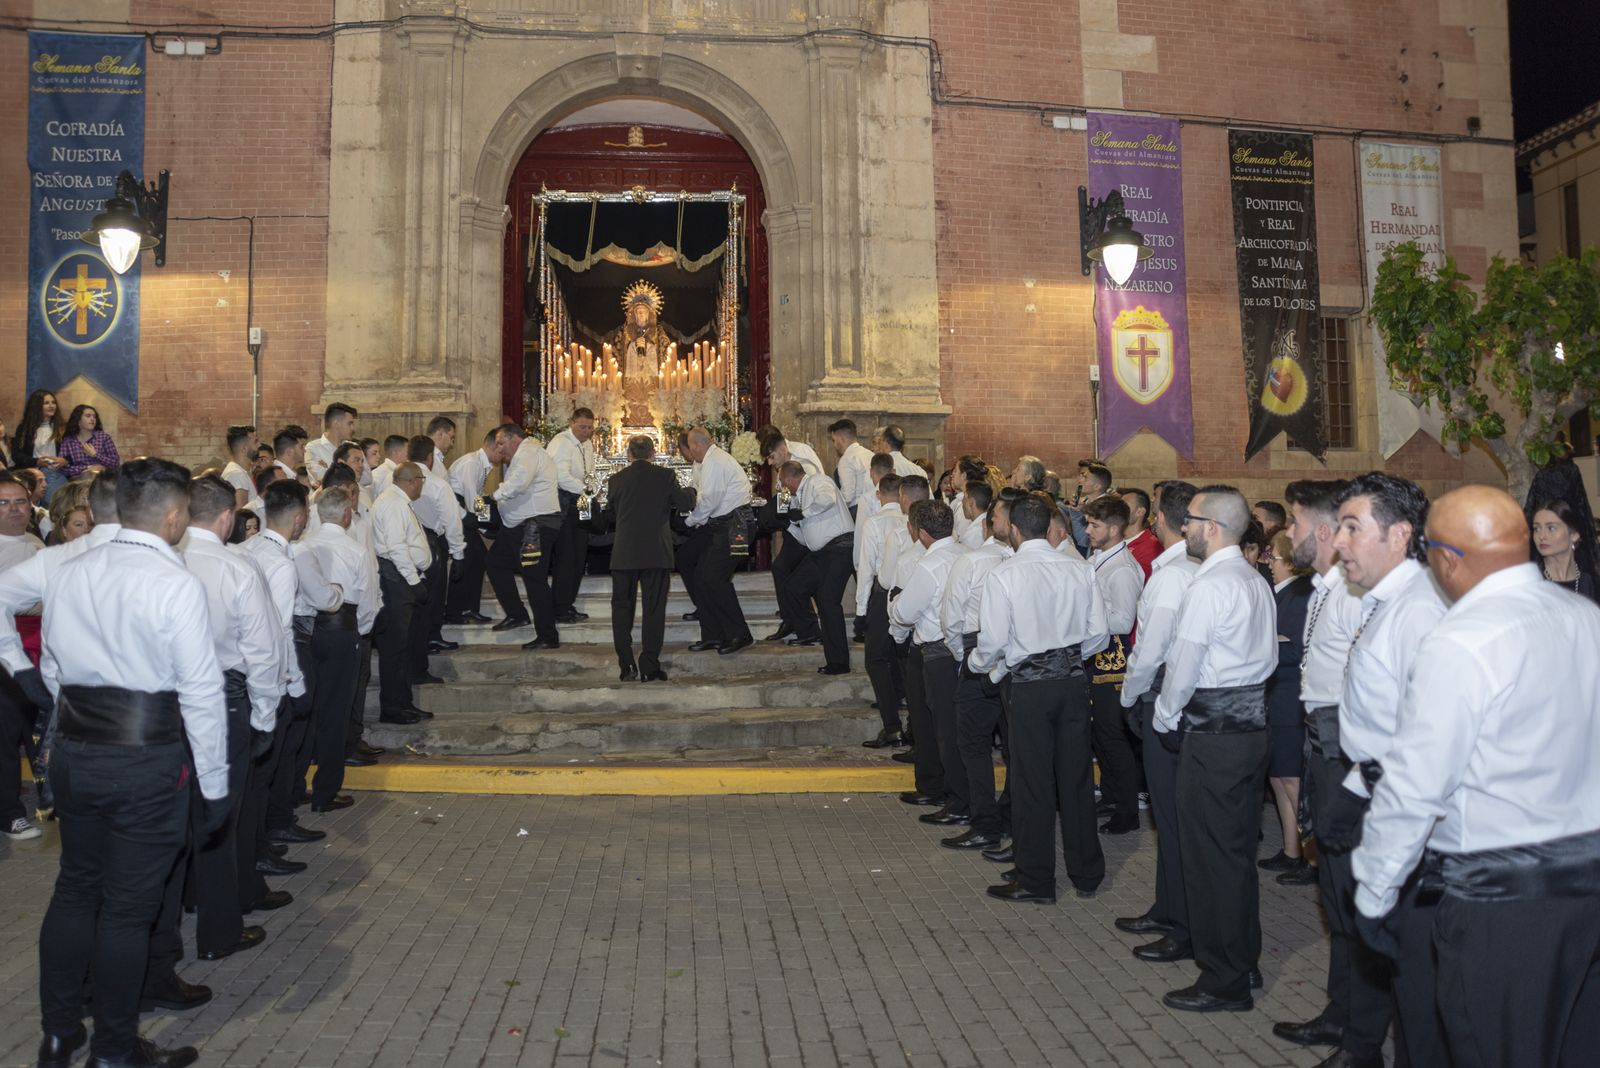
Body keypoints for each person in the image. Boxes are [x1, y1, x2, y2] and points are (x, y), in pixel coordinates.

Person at [1353, 485, 1600, 1067]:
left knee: (1494, 1048)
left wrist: (1374, 888)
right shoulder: (1584, 616)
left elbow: (1416, 783)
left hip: (1504, 898)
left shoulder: (1462, 639)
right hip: (1589, 884)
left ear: (1447, 557)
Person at [35, 458, 225, 1068]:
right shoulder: (174, 583)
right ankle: (115, 1051)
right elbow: (200, 691)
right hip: (144, 759)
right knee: (126, 910)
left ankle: (61, 1032)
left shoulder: (71, 569)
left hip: (75, 752)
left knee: (74, 891)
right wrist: (216, 784)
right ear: (175, 518)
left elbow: (54, 671)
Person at [1313, 472, 1450, 1065]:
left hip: (1402, 805)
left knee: (1412, 969)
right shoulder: (1383, 602)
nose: (1338, 542)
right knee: (1371, 945)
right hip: (1368, 786)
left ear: (1399, 535)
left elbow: (1425, 741)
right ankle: (1361, 1045)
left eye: (1351, 527)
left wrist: (1373, 806)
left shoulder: (1420, 613)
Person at [147, 474, 282, 990]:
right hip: (223, 701)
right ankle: (219, 930)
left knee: (174, 817)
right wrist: (264, 717)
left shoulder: (164, 562)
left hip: (165, 701)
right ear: (227, 517)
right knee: (218, 816)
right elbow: (262, 652)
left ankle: (178, 914)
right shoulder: (235, 567)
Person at [1151, 485, 1276, 1012]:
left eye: (1192, 521)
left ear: (1214, 527)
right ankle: (1241, 961)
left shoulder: (1209, 585)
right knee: (1235, 853)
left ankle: (1222, 976)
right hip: (1250, 730)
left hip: (1215, 734)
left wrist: (1163, 713)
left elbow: (1185, 663)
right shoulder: (1253, 580)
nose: (1185, 529)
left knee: (1209, 857)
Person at [1269, 480, 1373, 1057]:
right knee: (1335, 898)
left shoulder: (1356, 594)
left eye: (1296, 521)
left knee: (1352, 899)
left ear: (1327, 531)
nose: (1289, 532)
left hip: (1345, 754)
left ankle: (1360, 1024)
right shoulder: (1329, 589)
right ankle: (1341, 1009)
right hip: (1323, 746)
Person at [969, 492, 1109, 904]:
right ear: (1050, 527)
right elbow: (1098, 632)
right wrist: (1064, 658)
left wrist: (980, 665)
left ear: (1013, 529)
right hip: (1071, 681)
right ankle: (1086, 874)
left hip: (1029, 686)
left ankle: (1036, 878)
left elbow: (992, 640)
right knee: (1077, 778)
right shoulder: (1080, 569)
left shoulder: (1006, 575)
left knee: (1033, 783)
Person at [1114, 480, 1201, 963]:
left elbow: (1149, 649)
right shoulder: (1187, 570)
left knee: (1170, 818)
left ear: (1160, 519)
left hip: (1161, 698)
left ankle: (1180, 919)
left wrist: (1130, 696)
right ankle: (1168, 907)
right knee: (1167, 819)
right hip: (1177, 699)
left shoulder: (1171, 577)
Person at [236, 479, 328, 896]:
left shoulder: (245, 548)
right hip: (270, 678)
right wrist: (292, 686)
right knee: (270, 766)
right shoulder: (281, 562)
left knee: (259, 772)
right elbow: (278, 630)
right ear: (299, 517)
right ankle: (265, 841)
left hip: (242, 674)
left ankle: (269, 832)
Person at [938, 491, 1016, 852]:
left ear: (988, 524)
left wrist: (963, 658)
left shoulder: (971, 561)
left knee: (973, 743)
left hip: (977, 651)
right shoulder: (1022, 564)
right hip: (1017, 657)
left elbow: (951, 619)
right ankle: (1012, 816)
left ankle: (985, 822)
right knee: (1014, 746)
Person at [295, 485, 377, 811]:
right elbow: (368, 603)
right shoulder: (356, 551)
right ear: (346, 515)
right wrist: (361, 633)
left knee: (305, 712)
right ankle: (326, 791)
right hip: (343, 629)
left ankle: (294, 786)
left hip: (304, 631)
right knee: (335, 712)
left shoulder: (302, 547)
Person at [889, 499, 966, 820]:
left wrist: (894, 603)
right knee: (957, 727)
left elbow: (906, 612)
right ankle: (949, 791)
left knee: (940, 727)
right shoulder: (968, 554)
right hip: (965, 650)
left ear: (921, 533)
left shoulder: (929, 565)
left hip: (936, 650)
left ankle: (948, 794)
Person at [601, 435, 697, 682]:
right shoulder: (665, 477)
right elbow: (683, 502)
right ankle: (649, 665)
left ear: (629, 454)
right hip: (656, 552)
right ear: (653, 454)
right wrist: (692, 490)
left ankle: (626, 665)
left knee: (622, 609)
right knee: (654, 609)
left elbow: (610, 515)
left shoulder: (616, 480)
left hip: (624, 553)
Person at [1082, 495, 1144, 836]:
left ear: (1115, 529)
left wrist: (1086, 615)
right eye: (1088, 524)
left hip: (1114, 658)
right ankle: (1110, 795)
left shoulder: (1121, 569)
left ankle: (1127, 809)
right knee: (1101, 734)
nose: (1088, 531)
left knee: (1112, 735)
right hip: (1099, 653)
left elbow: (1123, 619)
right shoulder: (1101, 558)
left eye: (1095, 525)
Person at [1260, 530, 1312, 877]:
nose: (1269, 564)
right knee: (1279, 778)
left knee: (1293, 780)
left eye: (1274, 559)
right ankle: (1291, 850)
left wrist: (1263, 643)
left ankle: (1311, 857)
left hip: (1290, 698)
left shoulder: (1298, 595)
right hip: (1275, 698)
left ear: (1291, 563)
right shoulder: (1279, 593)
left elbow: (1296, 649)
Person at [679, 427, 754, 655]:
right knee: (702, 576)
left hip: (736, 524)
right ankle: (712, 635)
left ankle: (739, 634)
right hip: (722, 525)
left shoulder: (714, 461)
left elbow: (709, 501)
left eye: (691, 450)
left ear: (695, 446)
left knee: (714, 577)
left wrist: (690, 522)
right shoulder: (708, 460)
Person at [489, 428, 564, 651]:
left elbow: (518, 483)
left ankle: (548, 635)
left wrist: (493, 497)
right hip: (518, 527)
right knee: (494, 562)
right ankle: (517, 613)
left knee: (534, 579)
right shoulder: (525, 453)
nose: (499, 448)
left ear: (515, 439)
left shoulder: (529, 452)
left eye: (502, 443)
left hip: (534, 526)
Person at [778, 459, 856, 674]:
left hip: (840, 549)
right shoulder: (797, 498)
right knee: (793, 587)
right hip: (821, 553)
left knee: (828, 603)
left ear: (788, 478)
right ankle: (810, 631)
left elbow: (827, 499)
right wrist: (788, 524)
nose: (783, 488)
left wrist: (802, 514)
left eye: (782, 483)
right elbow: (806, 539)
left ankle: (838, 662)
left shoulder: (817, 481)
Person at [371, 462, 433, 724]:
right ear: (413, 481)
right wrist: (413, 581)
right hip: (395, 580)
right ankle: (393, 707)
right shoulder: (394, 503)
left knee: (403, 646)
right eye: (421, 479)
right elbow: (396, 548)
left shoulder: (397, 500)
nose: (422, 484)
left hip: (399, 578)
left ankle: (403, 702)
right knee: (396, 647)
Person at [0, 474, 44, 842]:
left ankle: (44, 802)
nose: (14, 509)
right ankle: (9, 814)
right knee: (5, 735)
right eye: (4, 503)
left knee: (32, 733)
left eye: (20, 501)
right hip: (5, 654)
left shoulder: (34, 543)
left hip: (36, 651)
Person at [761, 426, 826, 643]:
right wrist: (777, 515)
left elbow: (813, 493)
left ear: (782, 448)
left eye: (771, 457)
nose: (769, 463)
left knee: (794, 576)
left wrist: (786, 514)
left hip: (811, 527)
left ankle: (806, 626)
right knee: (781, 570)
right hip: (795, 526)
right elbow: (784, 495)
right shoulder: (783, 462)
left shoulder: (803, 457)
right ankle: (792, 621)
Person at [856, 474, 907, 746]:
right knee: (901, 657)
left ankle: (891, 726)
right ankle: (910, 722)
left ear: (878, 494)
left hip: (881, 593)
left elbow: (866, 570)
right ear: (901, 494)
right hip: (909, 591)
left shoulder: (873, 523)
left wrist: (860, 611)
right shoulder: (911, 520)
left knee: (875, 660)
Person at [407, 435, 465, 659]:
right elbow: (452, 521)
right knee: (434, 593)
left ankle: (418, 637)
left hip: (404, 541)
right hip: (431, 543)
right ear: (430, 457)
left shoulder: (395, 480)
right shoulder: (437, 484)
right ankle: (431, 634)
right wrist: (458, 553)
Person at [445, 425, 507, 625]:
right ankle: (457, 611)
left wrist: (485, 525)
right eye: (502, 449)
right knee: (470, 557)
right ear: (496, 446)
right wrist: (486, 526)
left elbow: (478, 499)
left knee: (477, 557)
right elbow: (472, 500)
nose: (504, 454)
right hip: (458, 515)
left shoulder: (481, 464)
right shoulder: (471, 463)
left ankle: (468, 608)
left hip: (466, 514)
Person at [545, 408, 598, 625]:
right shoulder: (562, 441)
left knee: (578, 556)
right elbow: (559, 475)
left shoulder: (587, 444)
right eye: (582, 427)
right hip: (564, 503)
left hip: (579, 502)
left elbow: (590, 472)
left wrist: (591, 488)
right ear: (571, 423)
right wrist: (584, 489)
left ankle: (568, 603)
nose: (586, 431)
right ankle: (559, 607)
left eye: (589, 428)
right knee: (566, 557)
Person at [1531, 497, 1599, 602]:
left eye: (1551, 528)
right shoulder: (1532, 581)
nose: (1541, 536)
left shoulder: (1590, 583)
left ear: (1574, 535)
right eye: (1537, 529)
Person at [11, 389, 68, 498]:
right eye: (46, 403)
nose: (52, 406)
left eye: (53, 402)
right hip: (31, 471)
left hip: (56, 471)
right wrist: (37, 462)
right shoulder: (24, 429)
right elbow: (16, 455)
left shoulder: (63, 428)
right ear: (36, 406)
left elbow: (73, 453)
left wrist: (65, 460)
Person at [57, 404, 120, 479]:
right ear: (78, 420)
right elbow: (62, 469)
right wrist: (88, 468)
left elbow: (115, 464)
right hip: (78, 482)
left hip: (101, 479)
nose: (92, 419)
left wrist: (95, 455)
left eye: (94, 416)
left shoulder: (104, 437)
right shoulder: (68, 441)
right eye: (88, 416)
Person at [828, 418, 875, 518]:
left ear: (841, 439)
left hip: (857, 512)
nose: (834, 445)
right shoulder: (871, 454)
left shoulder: (846, 459)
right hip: (875, 507)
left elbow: (847, 497)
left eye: (834, 440)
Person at [306, 402, 358, 487]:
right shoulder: (313, 447)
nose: (353, 428)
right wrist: (351, 470)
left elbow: (366, 477)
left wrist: (329, 468)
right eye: (349, 423)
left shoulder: (354, 447)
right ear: (336, 424)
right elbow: (322, 477)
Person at [1121, 488, 1160, 578]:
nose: (1117, 510)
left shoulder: (1152, 547)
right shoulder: (1114, 540)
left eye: (1124, 506)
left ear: (1140, 512)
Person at [221, 425, 259, 508]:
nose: (259, 445)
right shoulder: (236, 474)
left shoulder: (240, 472)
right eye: (255, 442)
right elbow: (240, 516)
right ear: (244, 449)